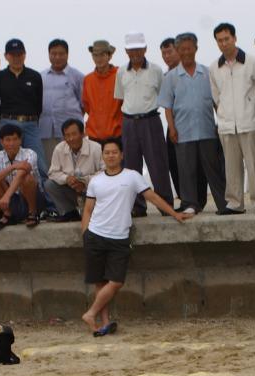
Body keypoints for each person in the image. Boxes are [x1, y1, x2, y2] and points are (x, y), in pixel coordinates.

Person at [78, 136, 184, 336]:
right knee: (100, 282)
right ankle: (105, 322)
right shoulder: (96, 181)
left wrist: (174, 214)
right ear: (103, 156)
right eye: (107, 153)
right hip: (96, 235)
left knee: (116, 281)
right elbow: (88, 210)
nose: (110, 156)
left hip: (119, 237)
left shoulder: (132, 176)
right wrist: (85, 233)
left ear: (121, 155)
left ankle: (90, 313)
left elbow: (151, 197)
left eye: (114, 152)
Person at [160, 32, 229, 215]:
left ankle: (224, 203)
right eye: (182, 49)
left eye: (189, 48)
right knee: (186, 170)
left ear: (196, 49)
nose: (186, 52)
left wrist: (220, 123)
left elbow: (216, 101)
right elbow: (167, 106)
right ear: (178, 51)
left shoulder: (207, 73)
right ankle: (190, 204)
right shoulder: (171, 77)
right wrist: (172, 128)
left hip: (207, 129)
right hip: (183, 131)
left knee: (213, 169)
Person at [210, 23, 255, 214]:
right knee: (231, 167)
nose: (224, 43)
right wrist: (224, 115)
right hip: (226, 124)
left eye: (227, 39)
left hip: (249, 121)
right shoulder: (214, 67)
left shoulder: (253, 62)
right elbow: (216, 97)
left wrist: (251, 110)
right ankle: (235, 203)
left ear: (234, 38)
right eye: (220, 40)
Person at [116, 33, 175, 217]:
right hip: (128, 123)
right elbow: (120, 98)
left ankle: (165, 205)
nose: (135, 53)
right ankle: (137, 207)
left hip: (151, 121)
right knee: (131, 167)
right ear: (126, 51)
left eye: (139, 48)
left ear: (145, 49)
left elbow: (164, 97)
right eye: (131, 49)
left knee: (158, 164)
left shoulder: (156, 70)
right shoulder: (121, 72)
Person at [0, 39, 47, 177]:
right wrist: (3, 120)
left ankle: (46, 197)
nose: (16, 58)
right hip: (8, 123)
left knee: (40, 163)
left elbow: (38, 104)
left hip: (30, 124)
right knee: (7, 164)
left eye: (20, 54)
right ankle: (10, 197)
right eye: (13, 54)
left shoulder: (34, 76)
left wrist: (32, 120)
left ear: (25, 55)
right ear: (6, 56)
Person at [40, 39, 85, 170]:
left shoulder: (77, 76)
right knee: (50, 166)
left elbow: (84, 105)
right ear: (49, 55)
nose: (57, 57)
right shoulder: (41, 76)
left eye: (61, 53)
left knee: (73, 166)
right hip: (46, 130)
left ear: (67, 54)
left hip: (70, 133)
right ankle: (50, 191)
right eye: (53, 54)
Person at [46, 119, 104, 221]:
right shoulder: (59, 148)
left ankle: (97, 212)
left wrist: (85, 181)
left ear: (83, 134)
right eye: (67, 135)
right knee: (49, 184)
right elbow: (52, 173)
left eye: (74, 134)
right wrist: (67, 178)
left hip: (92, 192)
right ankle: (69, 212)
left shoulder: (96, 148)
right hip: (72, 190)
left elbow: (105, 172)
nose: (71, 138)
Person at [0, 124, 42, 229]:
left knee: (26, 178)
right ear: (2, 142)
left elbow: (21, 174)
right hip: (10, 202)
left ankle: (33, 214)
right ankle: (8, 214)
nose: (11, 143)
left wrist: (6, 196)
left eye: (15, 139)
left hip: (32, 199)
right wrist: (13, 166)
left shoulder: (30, 153)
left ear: (20, 140)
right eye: (8, 140)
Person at [84, 40, 123, 143]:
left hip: (118, 134)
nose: (98, 58)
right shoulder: (88, 79)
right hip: (94, 136)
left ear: (109, 56)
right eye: (95, 55)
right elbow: (87, 106)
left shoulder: (120, 75)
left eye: (102, 55)